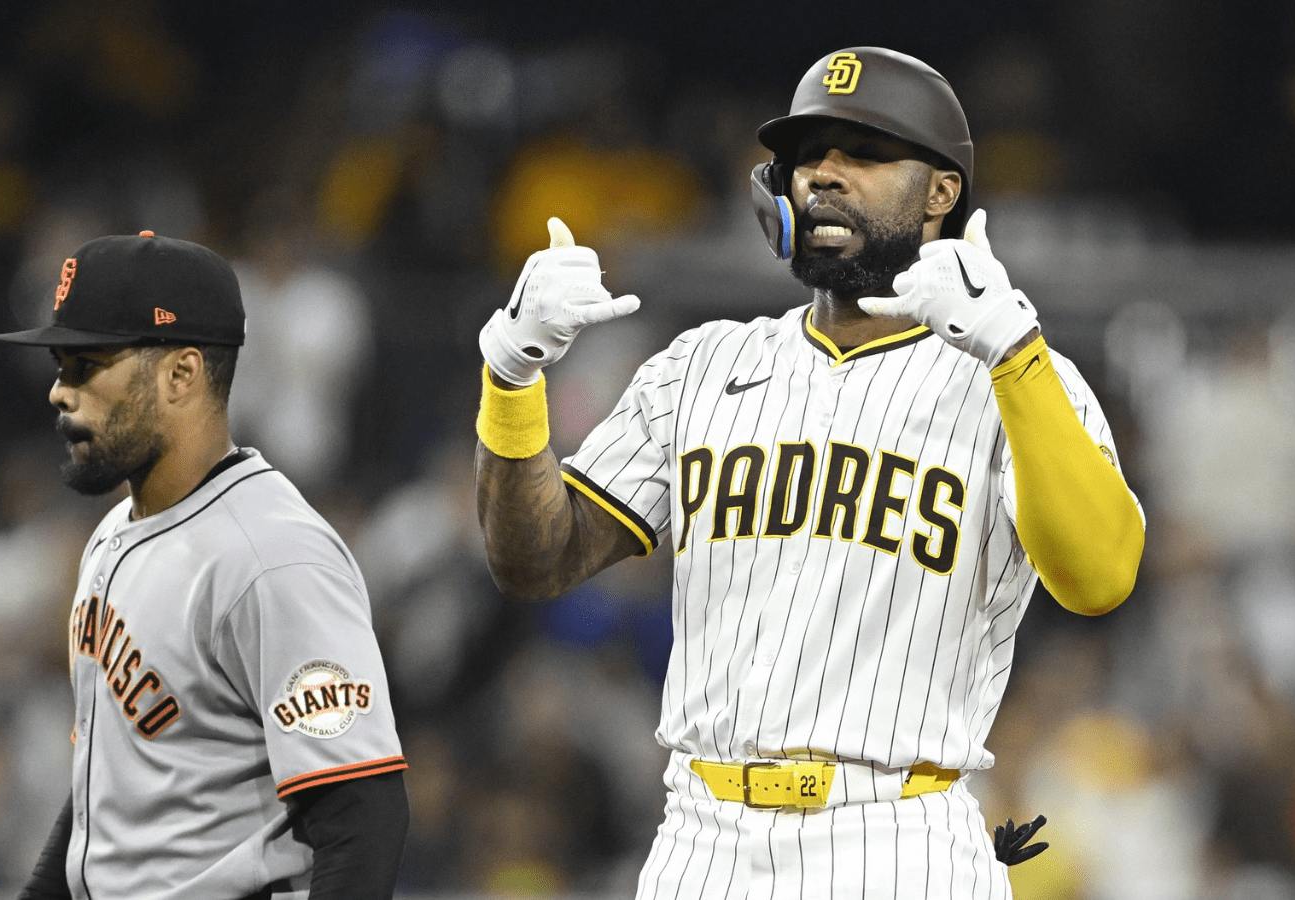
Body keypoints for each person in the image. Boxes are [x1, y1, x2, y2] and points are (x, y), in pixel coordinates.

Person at [473, 47, 1143, 897]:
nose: (825, 173)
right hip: (701, 836)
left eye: (864, 153)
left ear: (941, 192)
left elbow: (1100, 578)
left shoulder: (1016, 378)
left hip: (898, 835)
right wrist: (513, 374)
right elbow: (534, 561)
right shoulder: (700, 366)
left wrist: (1013, 353)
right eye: (807, 155)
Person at [0, 231, 408, 900]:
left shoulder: (273, 557)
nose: (59, 393)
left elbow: (362, 822)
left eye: (85, 364)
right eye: (60, 364)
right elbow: (107, 790)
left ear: (181, 374)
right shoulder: (113, 533)